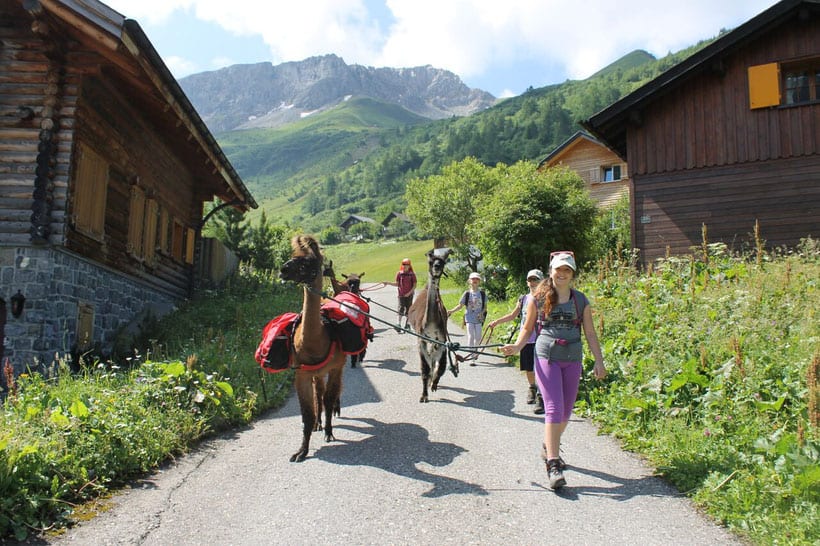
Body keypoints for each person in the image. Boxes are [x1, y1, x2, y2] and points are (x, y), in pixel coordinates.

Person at [501, 252, 606, 490]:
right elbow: (527, 329)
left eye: (567, 270)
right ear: (551, 271)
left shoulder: (580, 300)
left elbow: (590, 333)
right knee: (554, 408)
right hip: (547, 356)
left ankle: (549, 445)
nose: (562, 274)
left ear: (572, 274)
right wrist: (517, 346)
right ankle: (553, 464)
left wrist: (599, 361)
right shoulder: (537, 298)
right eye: (559, 270)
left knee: (567, 412)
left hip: (573, 358)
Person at [489, 269, 544, 414]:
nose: (533, 283)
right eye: (530, 280)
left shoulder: (546, 299)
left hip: (541, 340)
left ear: (542, 282)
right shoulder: (523, 299)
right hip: (525, 340)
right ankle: (532, 388)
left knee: (541, 369)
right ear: (527, 282)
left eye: (536, 280)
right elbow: (513, 315)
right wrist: (497, 322)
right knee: (529, 368)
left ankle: (541, 396)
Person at [447, 272, 487, 366]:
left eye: (477, 279)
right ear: (469, 281)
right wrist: (451, 311)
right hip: (469, 317)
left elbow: (485, 307)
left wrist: (481, 313)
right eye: (473, 279)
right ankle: (472, 358)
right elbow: (460, 305)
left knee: (478, 338)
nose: (475, 281)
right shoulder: (467, 293)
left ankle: (475, 351)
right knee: (471, 336)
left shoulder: (482, 293)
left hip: (479, 318)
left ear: (479, 281)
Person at [390, 258, 416, 328]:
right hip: (401, 295)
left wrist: (409, 293)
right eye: (404, 264)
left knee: (409, 309)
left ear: (409, 266)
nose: (405, 266)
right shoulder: (399, 274)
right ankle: (398, 324)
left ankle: (407, 324)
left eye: (407, 264)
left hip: (409, 295)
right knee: (401, 308)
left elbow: (414, 286)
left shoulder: (412, 274)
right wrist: (388, 283)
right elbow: (397, 284)